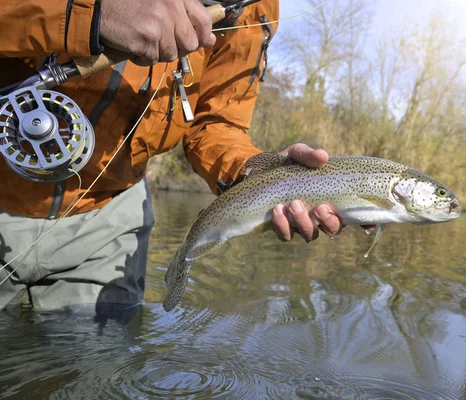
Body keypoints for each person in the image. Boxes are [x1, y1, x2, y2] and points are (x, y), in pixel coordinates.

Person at [0, 0, 354, 312]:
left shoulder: (253, 5)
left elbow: (216, 124)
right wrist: (93, 15)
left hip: (110, 218)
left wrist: (257, 179)